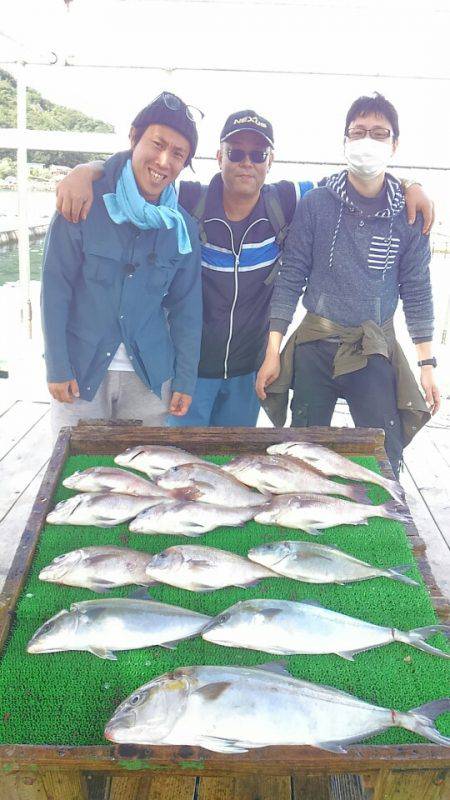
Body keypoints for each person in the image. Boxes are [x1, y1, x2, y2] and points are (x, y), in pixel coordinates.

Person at [55, 108, 434, 428]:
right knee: (179, 468)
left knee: (232, 463)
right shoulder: (188, 201)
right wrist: (88, 171)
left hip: (248, 373)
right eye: (236, 152)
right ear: (218, 157)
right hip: (188, 372)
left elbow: (354, 182)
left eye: (258, 153)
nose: (246, 162)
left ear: (271, 160)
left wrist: (408, 185)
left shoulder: (286, 201)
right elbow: (142, 179)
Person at [256, 93, 439, 478]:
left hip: (372, 345)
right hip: (315, 342)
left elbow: (417, 289)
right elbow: (291, 278)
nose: (367, 142)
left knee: (382, 449)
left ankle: (386, 515)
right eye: (357, 133)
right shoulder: (316, 204)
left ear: (394, 144)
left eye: (378, 133)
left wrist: (426, 364)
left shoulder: (410, 213)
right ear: (344, 142)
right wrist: (273, 350)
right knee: (303, 450)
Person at [41, 92, 202, 438]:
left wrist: (185, 379)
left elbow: (187, 309)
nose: (163, 161)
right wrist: (56, 364)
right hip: (80, 371)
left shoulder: (183, 228)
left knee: (140, 480)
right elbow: (55, 289)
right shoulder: (82, 200)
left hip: (149, 377)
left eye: (178, 154)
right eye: (157, 144)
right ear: (133, 137)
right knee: (77, 474)